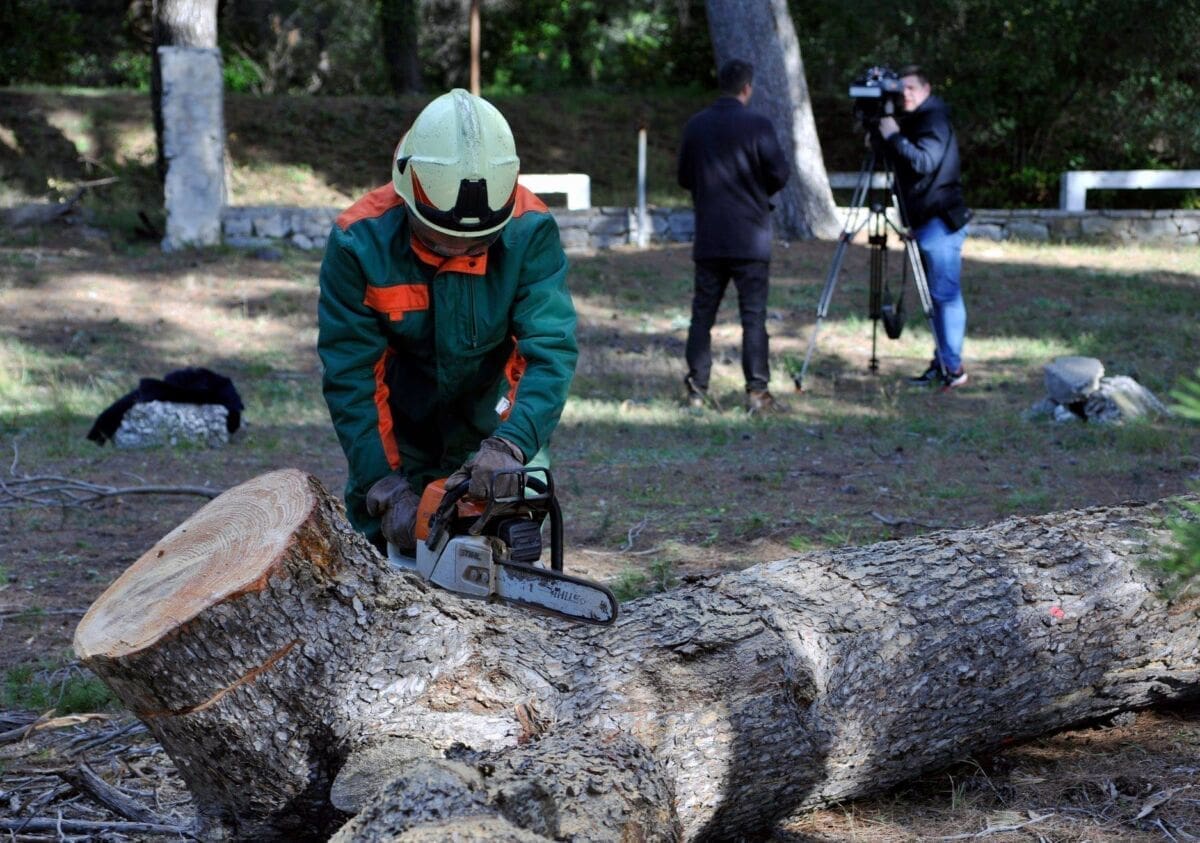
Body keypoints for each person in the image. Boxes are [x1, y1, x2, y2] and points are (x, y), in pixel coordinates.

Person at [318, 89, 578, 553]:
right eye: (440, 241)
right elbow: (352, 374)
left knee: (508, 556)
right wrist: (382, 481)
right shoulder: (359, 242)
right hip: (399, 432)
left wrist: (512, 443)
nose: (457, 251)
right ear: (409, 195)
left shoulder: (530, 230)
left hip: (498, 419)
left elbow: (548, 350)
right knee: (376, 568)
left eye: (476, 245)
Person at [677, 59, 791, 414]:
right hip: (750, 236)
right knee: (753, 317)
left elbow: (684, 177)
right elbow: (780, 174)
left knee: (702, 315)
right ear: (747, 88)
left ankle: (696, 390)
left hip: (710, 235)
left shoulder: (697, 125)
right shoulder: (758, 125)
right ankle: (757, 391)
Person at [876, 64, 972, 389]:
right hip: (925, 221)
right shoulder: (916, 119)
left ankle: (952, 368)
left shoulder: (935, 119)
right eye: (900, 89)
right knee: (938, 296)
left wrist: (893, 136)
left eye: (911, 89)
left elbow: (923, 162)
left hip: (940, 222)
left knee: (945, 295)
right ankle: (942, 363)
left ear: (926, 89)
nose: (905, 95)